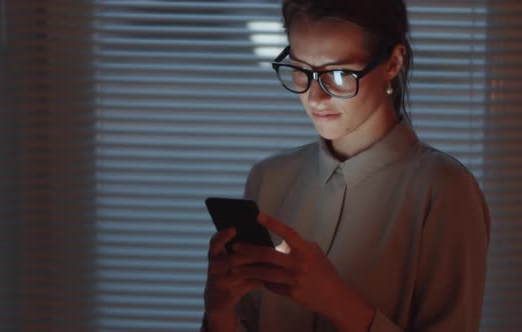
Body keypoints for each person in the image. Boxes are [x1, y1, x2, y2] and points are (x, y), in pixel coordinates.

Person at [202, 0, 491, 331]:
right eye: (300, 70)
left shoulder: (444, 190)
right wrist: (219, 312)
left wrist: (336, 301)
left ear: (393, 62)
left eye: (338, 74)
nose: (314, 97)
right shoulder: (269, 178)